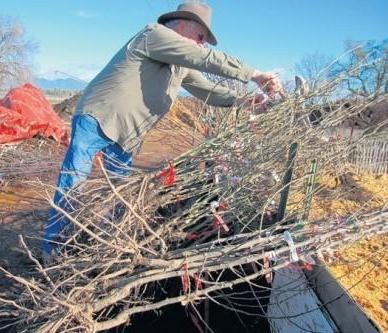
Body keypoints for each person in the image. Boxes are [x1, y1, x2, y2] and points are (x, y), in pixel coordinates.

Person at [42, 2, 284, 257]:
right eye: (201, 37)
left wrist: (244, 102)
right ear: (182, 25)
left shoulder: (181, 64)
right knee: (73, 184)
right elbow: (204, 58)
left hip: (128, 135)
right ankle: (54, 250)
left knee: (121, 194)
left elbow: (208, 91)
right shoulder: (153, 35)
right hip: (98, 118)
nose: (201, 44)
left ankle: (105, 244)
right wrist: (255, 74)